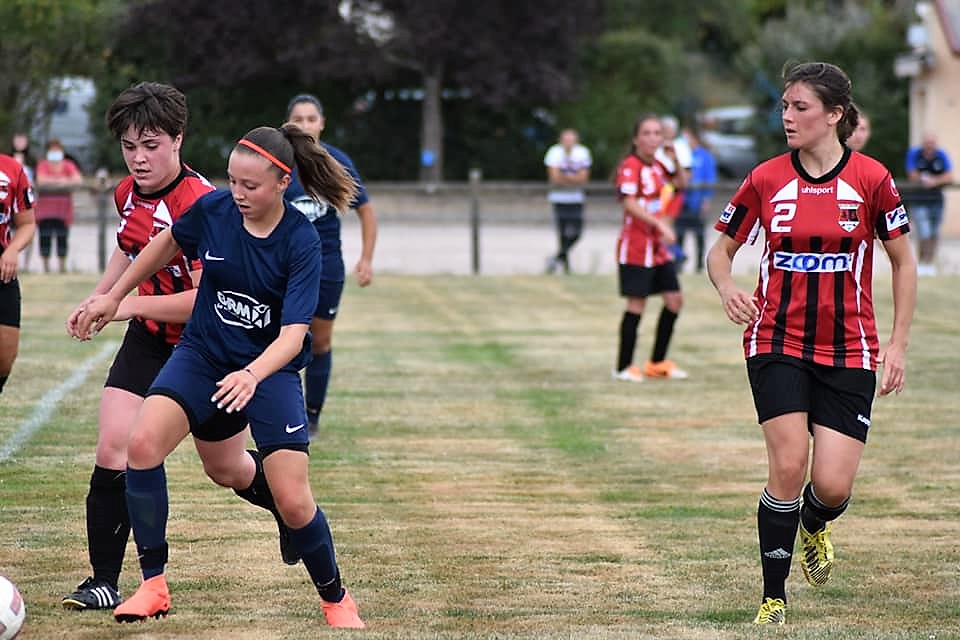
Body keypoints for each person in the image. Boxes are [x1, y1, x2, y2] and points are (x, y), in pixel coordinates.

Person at [75, 124, 366, 628]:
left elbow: (294, 336)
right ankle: (153, 584)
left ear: (281, 183)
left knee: (294, 500)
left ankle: (336, 596)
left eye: (250, 186)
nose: (238, 194)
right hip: (202, 355)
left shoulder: (300, 241)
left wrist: (252, 374)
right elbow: (165, 243)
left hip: (268, 372)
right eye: (232, 182)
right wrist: (116, 296)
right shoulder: (215, 211)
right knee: (142, 445)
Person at [62, 82, 293, 613]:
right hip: (148, 343)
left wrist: (125, 306)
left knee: (227, 469)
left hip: (205, 346)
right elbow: (127, 252)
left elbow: (201, 300)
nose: (139, 158)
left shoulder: (204, 204)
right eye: (129, 146)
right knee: (113, 447)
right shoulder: (126, 194)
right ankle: (104, 581)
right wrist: (99, 297)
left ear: (178, 140)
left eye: (151, 145)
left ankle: (285, 503)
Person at [705, 62, 917, 626]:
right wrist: (726, 287)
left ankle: (815, 524)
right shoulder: (766, 178)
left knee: (830, 484)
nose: (788, 117)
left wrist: (895, 345)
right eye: (784, 106)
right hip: (775, 338)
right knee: (789, 465)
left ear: (835, 116)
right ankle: (772, 599)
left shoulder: (871, 179)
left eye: (800, 107)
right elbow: (719, 250)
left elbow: (902, 261)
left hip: (850, 348)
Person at [285, 93, 377, 438]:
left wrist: (365, 259)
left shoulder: (336, 162)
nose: (305, 125)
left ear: (322, 123)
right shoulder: (278, 162)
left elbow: (366, 211)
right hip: (285, 267)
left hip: (326, 266)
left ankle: (312, 416)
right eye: (298, 119)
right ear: (288, 124)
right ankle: (283, 411)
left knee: (319, 341)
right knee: (284, 339)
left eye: (311, 119)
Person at [611, 114, 688, 383]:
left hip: (657, 247)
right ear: (636, 139)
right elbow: (629, 203)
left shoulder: (658, 165)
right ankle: (622, 366)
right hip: (636, 246)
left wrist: (675, 158)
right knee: (637, 304)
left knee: (675, 300)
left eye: (657, 133)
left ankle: (656, 362)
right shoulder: (630, 166)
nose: (653, 138)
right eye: (647, 133)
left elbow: (680, 184)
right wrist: (660, 224)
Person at [0, 151, 37, 395]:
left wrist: (13, 250)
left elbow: (27, 223)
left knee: (5, 355)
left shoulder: (11, 168)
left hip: (2, 271)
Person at [543, 128, 592, 274]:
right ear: (561, 140)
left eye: (571, 139)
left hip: (576, 199)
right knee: (562, 233)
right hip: (559, 198)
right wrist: (573, 179)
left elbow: (583, 178)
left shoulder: (582, 152)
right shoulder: (554, 152)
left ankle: (556, 258)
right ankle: (566, 266)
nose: (569, 142)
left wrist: (565, 179)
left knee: (577, 232)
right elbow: (554, 177)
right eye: (566, 139)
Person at [905, 132, 953, 275]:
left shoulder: (941, 155)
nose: (930, 146)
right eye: (927, 143)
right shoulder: (915, 154)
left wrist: (934, 181)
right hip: (919, 200)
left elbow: (949, 176)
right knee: (924, 232)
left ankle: (930, 263)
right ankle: (922, 262)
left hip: (937, 201)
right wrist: (926, 179)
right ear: (923, 143)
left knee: (934, 233)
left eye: (932, 143)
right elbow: (912, 174)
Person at [34, 138, 82, 273]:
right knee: (45, 237)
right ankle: (46, 267)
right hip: (45, 209)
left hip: (63, 209)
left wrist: (54, 182)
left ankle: (62, 267)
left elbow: (77, 179)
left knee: (62, 237)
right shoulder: (42, 165)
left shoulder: (68, 164)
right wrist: (63, 181)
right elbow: (41, 180)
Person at [673, 125, 717, 273]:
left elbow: (710, 178)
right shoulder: (681, 155)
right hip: (681, 201)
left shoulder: (704, 156)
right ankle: (678, 264)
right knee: (679, 233)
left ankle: (699, 265)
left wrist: (706, 199)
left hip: (697, 202)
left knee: (699, 234)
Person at [9, 134, 36, 272]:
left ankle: (26, 264)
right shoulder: (6, 161)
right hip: (9, 205)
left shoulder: (31, 162)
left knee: (26, 231)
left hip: (24, 204)